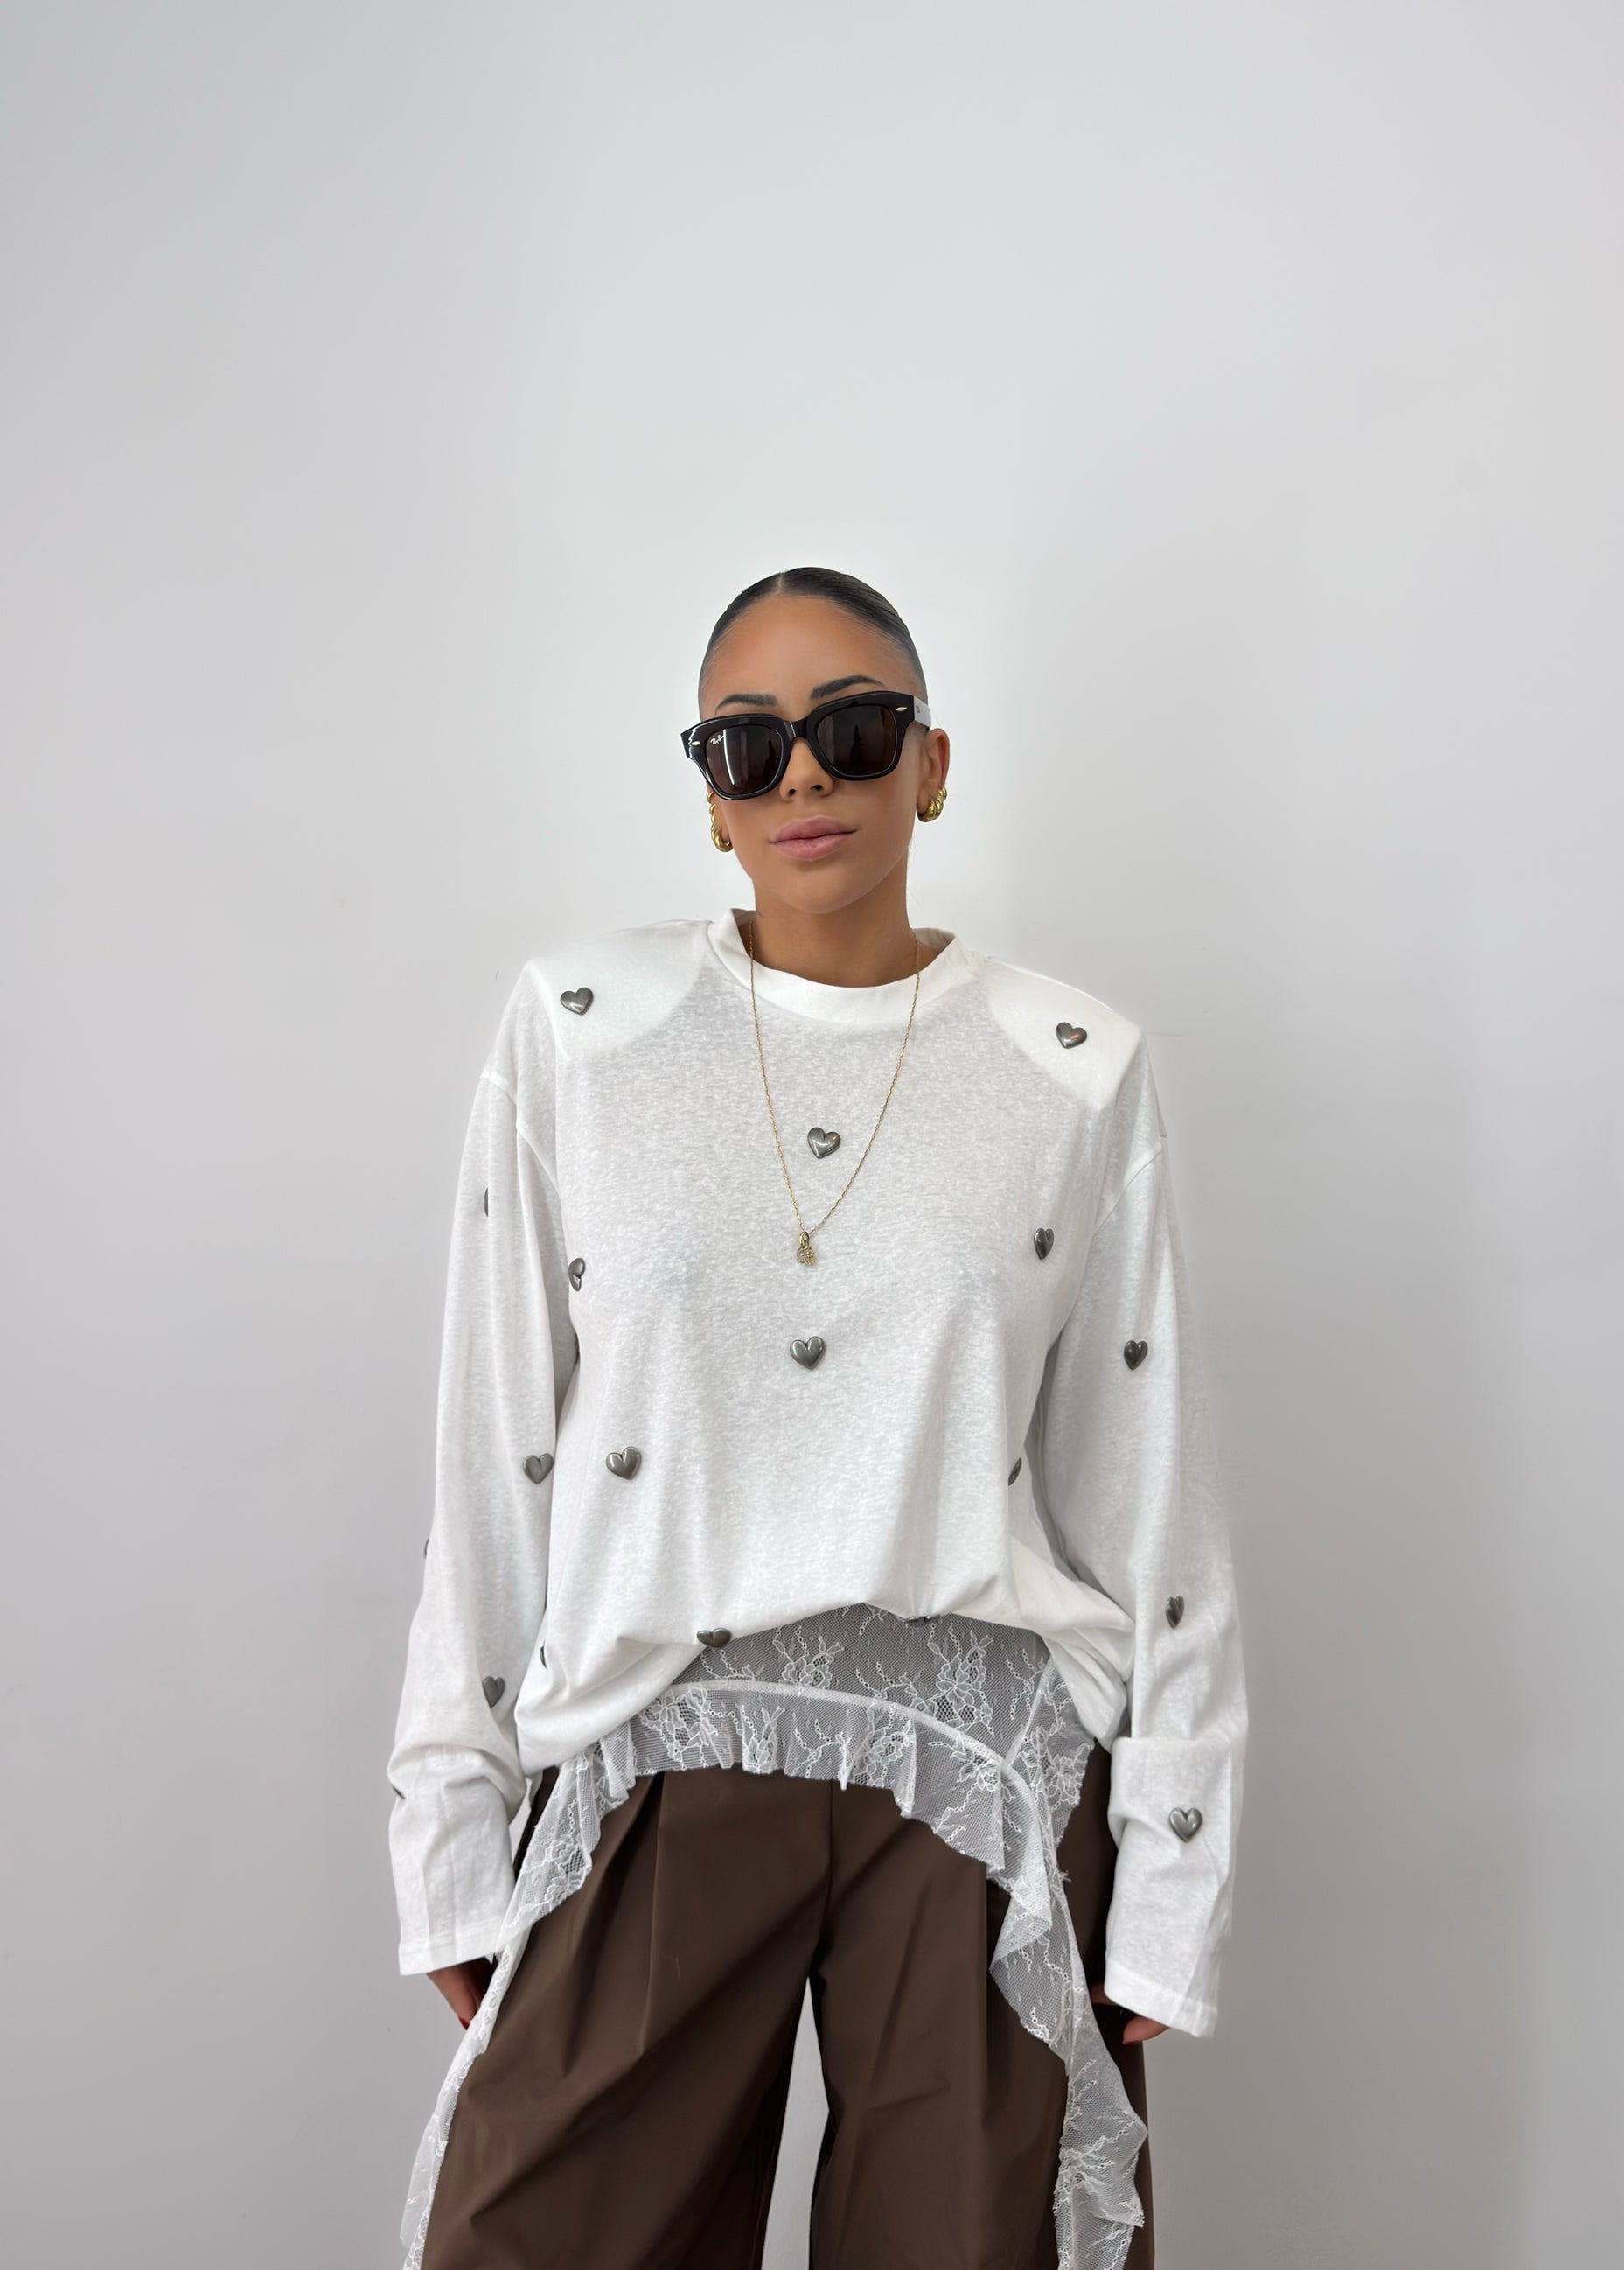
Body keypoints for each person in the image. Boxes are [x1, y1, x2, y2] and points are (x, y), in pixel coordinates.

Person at [387, 567, 1250, 2270]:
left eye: (853, 730)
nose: (801, 774)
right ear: (708, 795)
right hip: (655, 1739)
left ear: (931, 763)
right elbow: (497, 1452)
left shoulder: (1072, 1064)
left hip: (980, 1768)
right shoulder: (581, 1034)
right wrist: (450, 1817)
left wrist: (1172, 1867)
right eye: (747, 743)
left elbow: (1148, 1494)